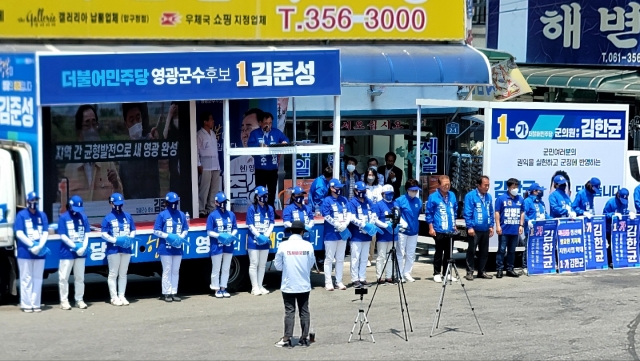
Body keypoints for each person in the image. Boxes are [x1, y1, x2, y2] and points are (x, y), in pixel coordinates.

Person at [63, 104, 122, 204]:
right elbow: (64, 203)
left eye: (94, 125)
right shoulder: (70, 168)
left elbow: (120, 198)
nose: (92, 130)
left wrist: (115, 184)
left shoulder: (107, 163)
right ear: (79, 132)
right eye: (87, 125)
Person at [273, 220, 316, 348]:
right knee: (304, 310)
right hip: (303, 283)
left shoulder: (283, 245)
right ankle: (304, 338)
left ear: (291, 231)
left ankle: (287, 337)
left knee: (289, 311)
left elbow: (278, 266)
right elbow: (311, 264)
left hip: (288, 283)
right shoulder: (308, 245)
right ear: (302, 232)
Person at [248, 111, 289, 215]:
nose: (268, 125)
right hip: (260, 169)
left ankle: (271, 212)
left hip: (272, 168)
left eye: (270, 123)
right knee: (260, 191)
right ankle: (258, 212)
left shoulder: (276, 132)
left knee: (271, 192)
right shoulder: (255, 133)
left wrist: (284, 142)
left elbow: (286, 140)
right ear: (260, 123)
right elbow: (250, 146)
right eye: (266, 123)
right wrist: (259, 145)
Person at [14, 192, 49, 313]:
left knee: (38, 278)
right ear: (28, 201)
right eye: (32, 200)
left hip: (40, 252)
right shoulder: (21, 215)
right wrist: (31, 244)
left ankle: (36, 303)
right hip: (25, 252)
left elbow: (45, 232)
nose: (34, 203)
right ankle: (26, 304)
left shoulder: (42, 215)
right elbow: (19, 233)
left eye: (36, 200)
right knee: (26, 278)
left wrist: (39, 246)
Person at [118, 102, 161, 200]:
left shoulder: (149, 143)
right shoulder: (124, 155)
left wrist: (155, 142)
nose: (136, 123)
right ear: (126, 124)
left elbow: (159, 151)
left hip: (152, 209)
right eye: (131, 120)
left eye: (138, 118)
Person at [153, 192, 189, 302]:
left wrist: (181, 237)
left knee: (175, 270)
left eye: (176, 202)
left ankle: (174, 292)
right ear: (167, 203)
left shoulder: (181, 214)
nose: (174, 204)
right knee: (167, 270)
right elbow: (155, 231)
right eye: (172, 202)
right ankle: (166, 293)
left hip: (177, 247)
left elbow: (186, 229)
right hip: (165, 248)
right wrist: (168, 236)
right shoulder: (162, 215)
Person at [101, 193, 136, 306]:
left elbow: (133, 230)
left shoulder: (128, 216)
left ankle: (122, 295)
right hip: (113, 249)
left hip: (126, 248)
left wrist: (130, 238)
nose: (118, 206)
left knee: (123, 273)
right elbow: (103, 234)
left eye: (120, 204)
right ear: (111, 204)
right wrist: (115, 240)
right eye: (116, 204)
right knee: (113, 273)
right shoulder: (108, 218)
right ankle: (114, 297)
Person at [347, 181, 384, 288]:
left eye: (364, 191)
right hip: (356, 235)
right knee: (355, 257)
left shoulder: (368, 201)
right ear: (355, 191)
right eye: (360, 191)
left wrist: (370, 224)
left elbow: (373, 213)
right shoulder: (352, 202)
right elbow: (352, 218)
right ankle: (355, 279)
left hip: (367, 234)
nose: (362, 193)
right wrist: (363, 225)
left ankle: (362, 278)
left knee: (364, 257)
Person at [57, 195, 90, 310]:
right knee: (64, 277)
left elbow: (86, 234)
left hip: (81, 253)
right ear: (70, 206)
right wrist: (75, 246)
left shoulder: (83, 217)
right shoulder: (63, 217)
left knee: (80, 277)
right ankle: (64, 301)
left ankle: (79, 300)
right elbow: (63, 236)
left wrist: (83, 248)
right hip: (67, 253)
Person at [426, 175, 459, 283]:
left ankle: (447, 273)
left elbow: (455, 210)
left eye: (448, 184)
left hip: (450, 229)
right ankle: (436, 273)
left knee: (449, 253)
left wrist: (454, 224)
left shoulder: (452, 195)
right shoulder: (433, 196)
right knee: (439, 251)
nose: (447, 186)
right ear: (439, 185)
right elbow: (429, 213)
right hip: (439, 229)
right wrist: (431, 228)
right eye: (445, 184)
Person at [463, 175, 494, 281]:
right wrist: (470, 227)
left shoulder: (488, 196)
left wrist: (491, 226)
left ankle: (482, 271)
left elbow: (491, 212)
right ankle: (470, 272)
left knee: (484, 252)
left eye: (488, 185)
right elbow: (468, 212)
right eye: (485, 185)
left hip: (485, 228)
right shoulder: (471, 196)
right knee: (471, 251)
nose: (487, 187)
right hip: (475, 229)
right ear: (479, 185)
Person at [321, 178, 350, 291]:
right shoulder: (327, 200)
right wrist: (337, 224)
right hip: (331, 234)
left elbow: (349, 213)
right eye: (337, 187)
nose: (339, 189)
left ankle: (339, 281)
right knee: (329, 259)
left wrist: (345, 224)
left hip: (342, 233)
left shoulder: (344, 199)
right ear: (331, 188)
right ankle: (328, 282)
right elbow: (326, 215)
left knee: (340, 258)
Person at [207, 192, 238, 298]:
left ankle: (224, 287)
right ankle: (216, 289)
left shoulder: (231, 214)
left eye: (225, 202)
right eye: (221, 202)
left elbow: (235, 228)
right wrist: (220, 236)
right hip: (216, 245)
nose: (223, 204)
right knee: (216, 268)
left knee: (226, 268)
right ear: (216, 203)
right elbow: (209, 231)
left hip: (228, 245)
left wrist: (230, 236)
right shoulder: (212, 215)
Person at [246, 186, 275, 295]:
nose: (264, 197)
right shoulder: (252, 208)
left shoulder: (270, 208)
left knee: (262, 264)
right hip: (253, 240)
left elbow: (272, 223)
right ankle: (254, 287)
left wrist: (266, 236)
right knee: (254, 263)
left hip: (265, 240)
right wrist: (258, 235)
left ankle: (260, 285)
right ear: (257, 196)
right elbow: (250, 224)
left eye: (266, 195)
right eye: (262, 195)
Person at [229, 108, 262, 201]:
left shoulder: (270, 162)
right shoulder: (232, 165)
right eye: (242, 130)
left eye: (248, 129)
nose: (244, 134)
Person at [494, 178, 525, 278]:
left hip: (514, 229)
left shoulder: (520, 199)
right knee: (501, 250)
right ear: (508, 187)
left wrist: (521, 225)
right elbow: (497, 212)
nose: (515, 189)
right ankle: (499, 269)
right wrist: (498, 226)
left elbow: (522, 212)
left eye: (516, 187)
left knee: (512, 251)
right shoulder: (501, 198)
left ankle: (510, 269)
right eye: (513, 187)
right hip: (504, 229)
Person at [374, 185, 404, 284]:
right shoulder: (378, 204)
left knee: (391, 256)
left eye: (391, 194)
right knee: (381, 256)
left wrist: (402, 224)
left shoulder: (395, 204)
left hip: (393, 234)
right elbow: (375, 219)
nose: (390, 196)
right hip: (383, 235)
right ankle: (380, 276)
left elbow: (399, 217)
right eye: (387, 194)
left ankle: (389, 276)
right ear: (383, 194)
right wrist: (385, 225)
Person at [395, 178, 422, 283]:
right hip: (402, 231)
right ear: (407, 189)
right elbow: (396, 214)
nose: (414, 192)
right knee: (400, 253)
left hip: (414, 231)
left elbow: (417, 214)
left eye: (416, 190)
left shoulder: (418, 201)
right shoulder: (400, 200)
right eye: (412, 190)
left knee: (411, 253)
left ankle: (407, 272)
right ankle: (399, 273)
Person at [523, 183, 551, 275]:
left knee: (538, 247)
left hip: (541, 229)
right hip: (531, 228)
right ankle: (525, 266)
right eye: (539, 190)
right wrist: (528, 221)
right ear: (534, 191)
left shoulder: (541, 202)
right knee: (529, 247)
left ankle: (537, 265)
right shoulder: (527, 201)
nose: (541, 192)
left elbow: (545, 214)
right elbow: (523, 214)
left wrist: (553, 219)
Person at [197, 111, 221, 218]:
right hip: (205, 165)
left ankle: (211, 209)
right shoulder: (199, 134)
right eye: (211, 119)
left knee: (214, 189)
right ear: (205, 121)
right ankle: (201, 209)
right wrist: (198, 164)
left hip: (215, 164)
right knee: (204, 189)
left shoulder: (212, 133)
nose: (213, 121)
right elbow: (196, 151)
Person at [603, 188, 631, 267]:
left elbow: (625, 211)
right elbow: (605, 215)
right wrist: (613, 214)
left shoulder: (625, 202)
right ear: (618, 195)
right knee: (610, 245)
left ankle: (619, 261)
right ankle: (610, 261)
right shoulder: (611, 202)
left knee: (619, 245)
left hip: (620, 229)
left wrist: (629, 213)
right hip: (610, 228)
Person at [363, 167, 383, 267]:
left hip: (375, 215)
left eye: (372, 175)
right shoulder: (363, 187)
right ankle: (364, 257)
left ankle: (369, 257)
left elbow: (380, 202)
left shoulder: (379, 188)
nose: (370, 177)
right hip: (364, 214)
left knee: (373, 238)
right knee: (364, 235)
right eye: (369, 175)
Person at [162, 102, 181, 193]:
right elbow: (165, 135)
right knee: (174, 178)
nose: (175, 108)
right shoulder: (170, 124)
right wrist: (169, 116)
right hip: (174, 156)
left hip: (183, 154)